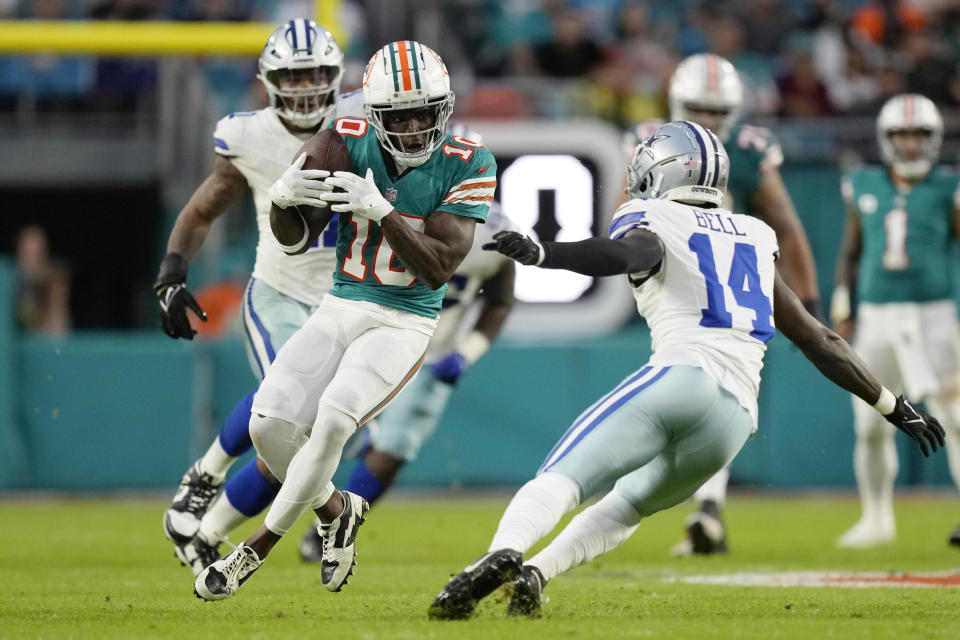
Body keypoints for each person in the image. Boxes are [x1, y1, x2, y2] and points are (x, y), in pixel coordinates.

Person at [427, 121, 944, 620]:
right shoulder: (753, 235)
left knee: (563, 477)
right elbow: (819, 338)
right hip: (735, 419)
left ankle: (499, 553)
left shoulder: (653, 216)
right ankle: (537, 573)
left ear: (663, 171)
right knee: (628, 507)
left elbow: (628, 251)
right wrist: (894, 406)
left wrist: (547, 252)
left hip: (681, 376)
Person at [193, 40, 496, 601]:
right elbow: (295, 238)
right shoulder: (343, 138)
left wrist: (379, 208)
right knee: (267, 426)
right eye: (397, 114)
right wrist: (283, 199)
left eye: (422, 112)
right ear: (373, 113)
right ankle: (337, 509)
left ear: (444, 109)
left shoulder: (470, 160)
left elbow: (436, 269)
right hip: (340, 305)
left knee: (334, 420)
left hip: (403, 321)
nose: (410, 126)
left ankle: (251, 551)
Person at [154, 19, 363, 575]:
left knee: (299, 438)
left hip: (348, 303)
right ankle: (208, 475)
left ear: (337, 76)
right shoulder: (247, 136)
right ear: (269, 81)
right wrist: (172, 272)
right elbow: (202, 210)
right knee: (286, 404)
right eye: (294, 76)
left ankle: (206, 530)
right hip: (279, 294)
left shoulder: (365, 119)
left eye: (317, 73)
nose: (305, 86)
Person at [624, 53, 822, 555]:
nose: (708, 120)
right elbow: (625, 218)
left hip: (732, 286)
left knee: (719, 393)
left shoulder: (751, 151)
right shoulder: (653, 141)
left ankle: (705, 508)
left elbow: (789, 227)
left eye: (717, 111)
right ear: (676, 102)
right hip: (673, 278)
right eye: (698, 108)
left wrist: (810, 305)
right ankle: (701, 508)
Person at [298, 198, 517, 561]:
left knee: (393, 450)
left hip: (430, 353)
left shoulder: (496, 232)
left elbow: (500, 302)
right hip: (366, 335)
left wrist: (466, 352)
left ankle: (335, 525)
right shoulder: (392, 205)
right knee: (309, 430)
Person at [831, 93, 960, 548]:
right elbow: (850, 251)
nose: (909, 145)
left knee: (956, 415)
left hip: (934, 314)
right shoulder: (863, 183)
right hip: (876, 316)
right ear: (887, 139)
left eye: (918, 135)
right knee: (869, 422)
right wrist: (843, 305)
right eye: (901, 135)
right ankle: (877, 518)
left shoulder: (949, 187)